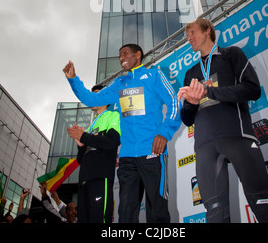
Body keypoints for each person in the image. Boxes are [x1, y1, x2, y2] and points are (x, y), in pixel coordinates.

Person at [177, 18, 268, 223]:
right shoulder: (191, 73)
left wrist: (210, 91)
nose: (189, 38)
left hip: (238, 137)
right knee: (215, 214)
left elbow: (252, 89)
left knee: (263, 204)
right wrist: (191, 103)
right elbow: (187, 119)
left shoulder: (231, 54)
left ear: (208, 30)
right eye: (187, 36)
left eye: (192, 33)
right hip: (205, 146)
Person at [63, 43, 181, 223]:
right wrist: (73, 79)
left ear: (138, 55)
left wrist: (164, 133)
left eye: (125, 53)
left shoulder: (154, 76)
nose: (121, 58)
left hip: (152, 152)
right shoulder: (119, 83)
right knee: (125, 213)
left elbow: (175, 103)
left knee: (157, 210)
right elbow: (93, 98)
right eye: (119, 55)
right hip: (127, 158)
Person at [67, 85, 121, 223]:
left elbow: (112, 141)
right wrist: (81, 145)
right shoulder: (92, 125)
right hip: (84, 180)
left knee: (99, 219)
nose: (92, 98)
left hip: (100, 177)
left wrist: (84, 136)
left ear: (105, 98)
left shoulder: (112, 115)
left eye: (96, 95)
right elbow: (81, 159)